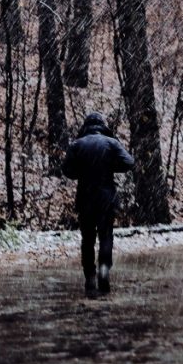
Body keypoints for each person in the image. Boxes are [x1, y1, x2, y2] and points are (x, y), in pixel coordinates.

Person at [62, 111, 135, 296]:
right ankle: (104, 270)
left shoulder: (77, 145)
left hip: (85, 198)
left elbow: (67, 170)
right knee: (106, 236)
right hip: (106, 199)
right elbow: (129, 162)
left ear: (86, 126)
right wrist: (110, 166)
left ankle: (90, 277)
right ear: (102, 125)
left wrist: (83, 172)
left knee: (87, 239)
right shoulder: (111, 143)